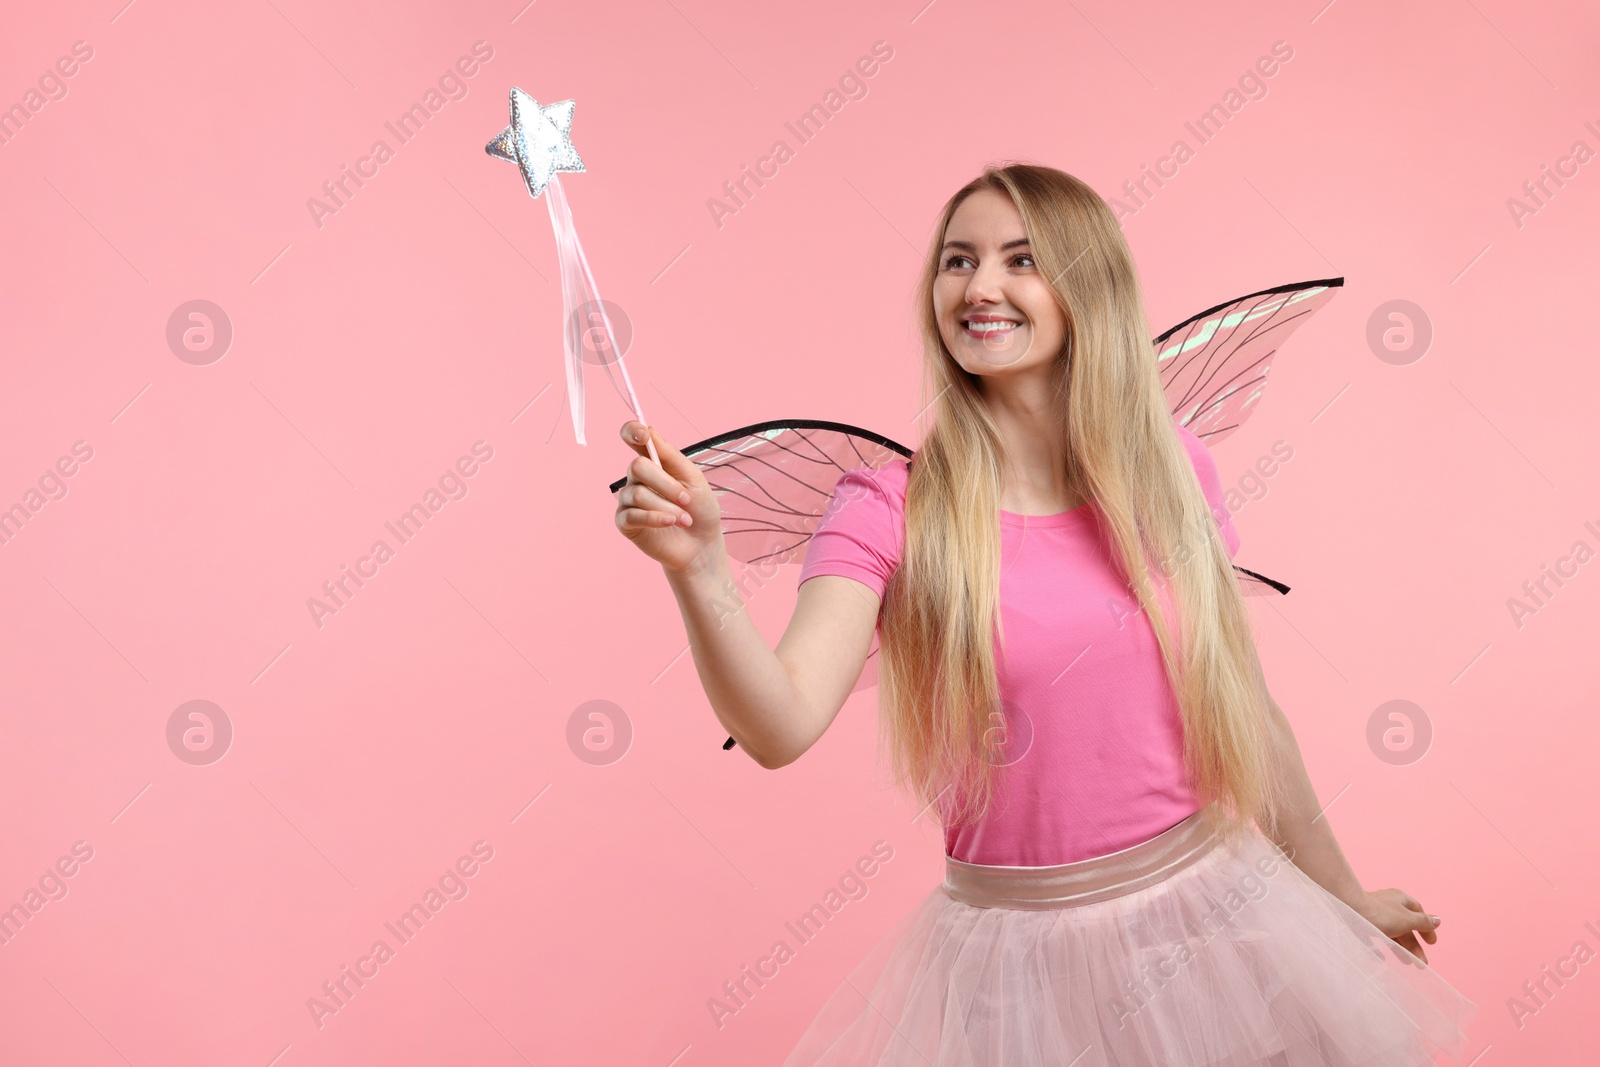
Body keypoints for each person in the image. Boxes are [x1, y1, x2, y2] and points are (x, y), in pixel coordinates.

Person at [612, 163, 1477, 1065]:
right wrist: (700, 569)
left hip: (1214, 917)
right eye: (957, 261)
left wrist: (1340, 892)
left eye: (1020, 260)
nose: (980, 287)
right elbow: (779, 724)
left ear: (1085, 289)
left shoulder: (1172, 473)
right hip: (1021, 973)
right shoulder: (888, 508)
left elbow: (1246, 707)